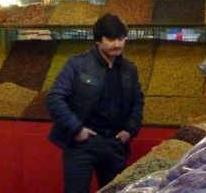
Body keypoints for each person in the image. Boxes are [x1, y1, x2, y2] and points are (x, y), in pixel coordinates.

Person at [45, 13, 145, 193]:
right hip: (83, 144)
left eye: (122, 39)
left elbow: (138, 101)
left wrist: (130, 130)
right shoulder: (77, 65)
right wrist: (77, 130)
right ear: (98, 40)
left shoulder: (129, 69)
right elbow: (55, 98)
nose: (118, 44)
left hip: (115, 143)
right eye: (111, 39)